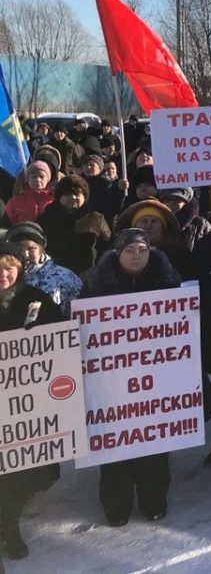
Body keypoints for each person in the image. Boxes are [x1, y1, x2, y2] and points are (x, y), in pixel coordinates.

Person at [82, 229, 182, 525]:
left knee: (153, 443)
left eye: (142, 249)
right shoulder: (97, 286)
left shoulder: (167, 282)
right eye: (130, 250)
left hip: (156, 381)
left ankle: (154, 501)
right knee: (115, 444)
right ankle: (116, 506)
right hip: (112, 382)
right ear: (117, 253)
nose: (136, 255)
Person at [0, 239, 63, 560]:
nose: (4, 274)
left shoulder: (34, 299)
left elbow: (63, 336)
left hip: (27, 405)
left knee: (17, 473)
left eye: (9, 267)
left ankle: (9, 528)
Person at [36, 174, 111, 276]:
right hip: (54, 275)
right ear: (59, 197)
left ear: (84, 197)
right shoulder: (46, 218)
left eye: (77, 194)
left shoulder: (96, 218)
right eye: (67, 194)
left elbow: (108, 246)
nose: (73, 197)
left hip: (89, 276)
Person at [6, 221, 82, 316]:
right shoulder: (4, 278)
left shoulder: (65, 277)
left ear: (41, 249)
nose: (25, 254)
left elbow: (81, 313)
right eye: (19, 247)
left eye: (31, 248)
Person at [5, 161, 55, 226]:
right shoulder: (15, 202)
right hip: (25, 234)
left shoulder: (54, 199)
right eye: (34, 177)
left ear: (48, 179)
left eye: (41, 177)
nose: (38, 180)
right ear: (28, 179)